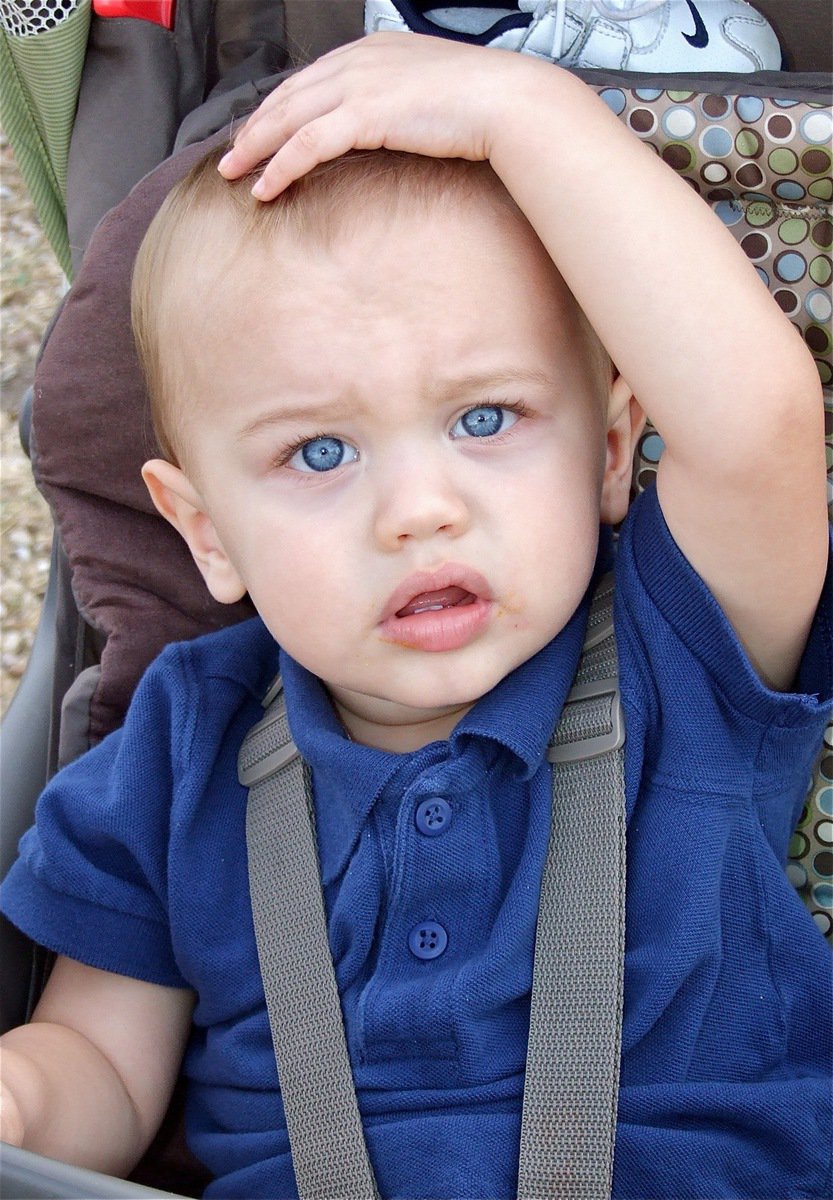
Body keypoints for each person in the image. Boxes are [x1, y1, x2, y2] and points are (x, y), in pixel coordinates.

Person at [1, 31, 831, 1200]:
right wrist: (27, 1096)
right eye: (319, 451)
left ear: (607, 449)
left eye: (485, 420)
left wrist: (525, 119)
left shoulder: (682, 655)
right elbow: (101, 1066)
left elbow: (757, 429)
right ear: (208, 534)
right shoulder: (179, 752)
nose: (418, 511)